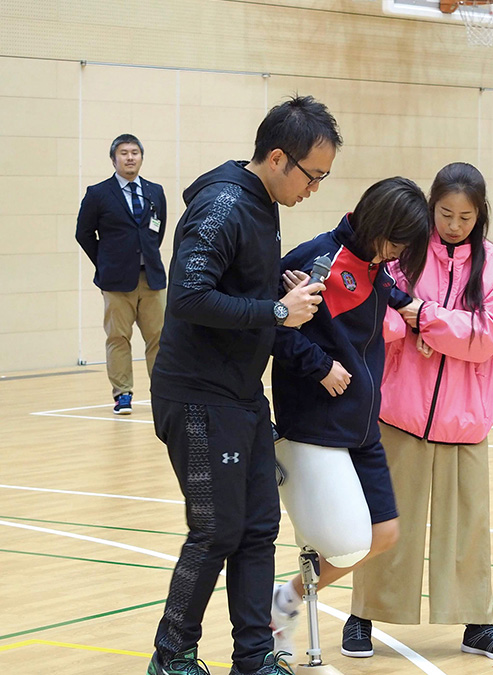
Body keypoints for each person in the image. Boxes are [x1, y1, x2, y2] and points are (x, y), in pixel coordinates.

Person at [146, 95, 340, 675]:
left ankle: (253, 658)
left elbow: (236, 287)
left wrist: (274, 288)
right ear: (278, 158)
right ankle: (171, 656)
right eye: (313, 175)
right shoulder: (225, 204)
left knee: (258, 529)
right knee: (216, 531)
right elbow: (186, 295)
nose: (315, 188)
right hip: (197, 395)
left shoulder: (263, 203)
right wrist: (277, 312)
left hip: (241, 394)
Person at [345, 162, 493, 661]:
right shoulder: (405, 259)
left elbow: (486, 336)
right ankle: (362, 615)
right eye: (445, 213)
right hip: (400, 412)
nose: (454, 225)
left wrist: (424, 319)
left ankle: (477, 624)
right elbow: (381, 317)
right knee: (386, 521)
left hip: (465, 421)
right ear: (430, 207)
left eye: (466, 217)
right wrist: (424, 328)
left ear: (480, 215)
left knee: (468, 528)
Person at [268, 177, 431, 663]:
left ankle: (285, 598)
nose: (399, 254)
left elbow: (379, 285)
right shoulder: (315, 259)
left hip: (361, 425)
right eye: (398, 242)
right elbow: (269, 326)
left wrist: (410, 308)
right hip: (315, 425)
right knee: (343, 544)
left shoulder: (373, 264)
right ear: (378, 225)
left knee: (384, 535)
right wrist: (319, 366)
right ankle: (278, 608)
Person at [76, 134, 167, 414]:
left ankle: (162, 392)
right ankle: (123, 394)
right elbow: (83, 233)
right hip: (116, 281)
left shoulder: (154, 191)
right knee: (118, 338)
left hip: (151, 278)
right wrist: (105, 262)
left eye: (135, 152)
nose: (130, 158)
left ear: (141, 157)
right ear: (113, 159)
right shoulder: (98, 193)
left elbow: (157, 231)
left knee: (160, 338)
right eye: (124, 153)